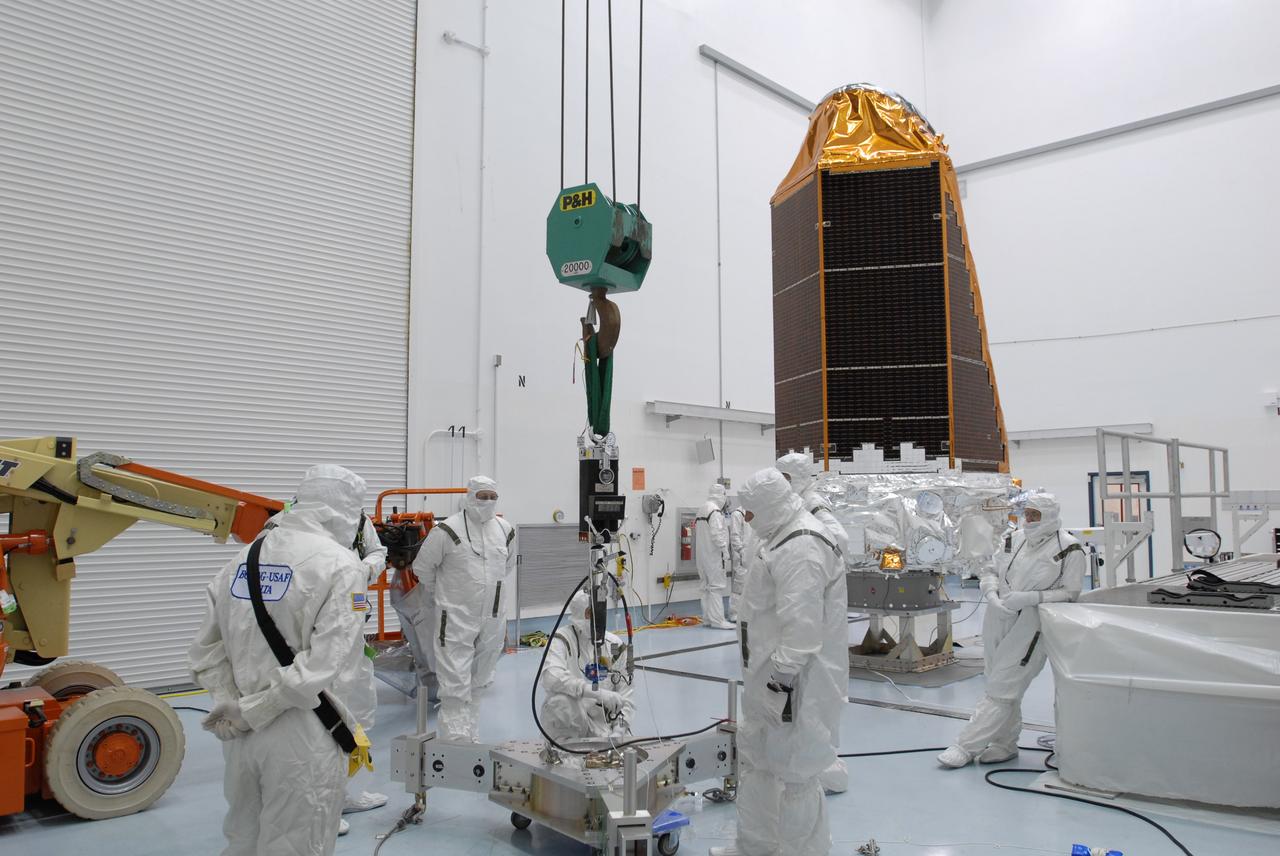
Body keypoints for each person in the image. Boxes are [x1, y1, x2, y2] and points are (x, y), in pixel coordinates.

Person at [189, 464, 369, 856]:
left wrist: (227, 703)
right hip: (302, 732)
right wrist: (255, 709)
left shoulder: (241, 559)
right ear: (347, 510)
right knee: (297, 840)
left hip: (238, 735)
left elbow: (205, 649)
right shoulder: (341, 565)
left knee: (243, 837)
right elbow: (323, 664)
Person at [711, 468, 844, 856]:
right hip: (765, 676)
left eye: (751, 512)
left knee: (796, 772)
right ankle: (756, 846)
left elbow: (802, 633)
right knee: (756, 761)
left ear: (770, 505)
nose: (747, 521)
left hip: (795, 686)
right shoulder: (778, 537)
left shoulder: (802, 546)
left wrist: (779, 685)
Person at [938, 491, 1085, 768]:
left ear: (1050, 516)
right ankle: (1004, 743)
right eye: (1027, 514)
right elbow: (990, 570)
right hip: (998, 614)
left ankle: (965, 746)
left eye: (1035, 515)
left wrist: (1031, 598)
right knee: (995, 678)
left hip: (1032, 622)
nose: (1029, 520)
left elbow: (1072, 593)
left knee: (1003, 686)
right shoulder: (1013, 539)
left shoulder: (1069, 549)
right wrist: (991, 591)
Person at [411, 475, 516, 743]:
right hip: (456, 615)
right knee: (455, 680)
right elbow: (422, 568)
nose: (488, 502)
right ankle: (454, 742)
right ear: (469, 497)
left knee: (481, 678)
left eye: (493, 497)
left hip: (493, 616)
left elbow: (507, 565)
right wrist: (444, 594)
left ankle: (471, 733)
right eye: (482, 496)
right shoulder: (447, 530)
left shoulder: (505, 530)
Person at [775, 451, 851, 795]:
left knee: (817, 695)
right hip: (801, 613)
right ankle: (806, 762)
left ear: (801, 479)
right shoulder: (790, 507)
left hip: (820, 619)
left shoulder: (814, 506)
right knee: (799, 698)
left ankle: (824, 768)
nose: (782, 484)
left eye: (786, 478)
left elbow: (839, 540)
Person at [332, 513, 390, 825]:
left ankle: (348, 794)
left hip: (353, 620)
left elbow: (378, 551)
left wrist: (364, 569)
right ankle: (322, 804)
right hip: (311, 636)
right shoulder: (291, 518)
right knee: (320, 718)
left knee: (357, 711)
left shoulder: (357, 519)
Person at [539, 587, 634, 741]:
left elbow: (627, 697)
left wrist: (619, 730)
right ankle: (567, 756)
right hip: (574, 724)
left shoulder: (615, 646)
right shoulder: (561, 640)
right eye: (589, 613)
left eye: (599, 613)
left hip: (607, 728)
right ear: (578, 615)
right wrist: (594, 692)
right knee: (559, 703)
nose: (596, 619)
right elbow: (551, 677)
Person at [695, 483, 735, 630]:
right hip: (714, 555)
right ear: (721, 495)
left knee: (705, 587)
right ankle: (718, 620)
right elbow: (717, 534)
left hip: (702, 555)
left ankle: (707, 618)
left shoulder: (702, 509)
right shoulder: (715, 511)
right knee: (716, 587)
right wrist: (724, 550)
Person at [726, 499, 748, 622]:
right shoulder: (738, 514)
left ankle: (748, 612)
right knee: (739, 586)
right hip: (741, 555)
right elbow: (734, 535)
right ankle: (734, 613)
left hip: (753, 554)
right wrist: (740, 551)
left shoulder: (757, 512)